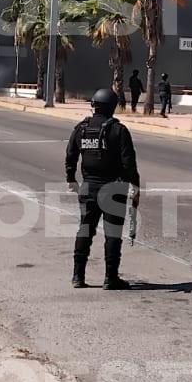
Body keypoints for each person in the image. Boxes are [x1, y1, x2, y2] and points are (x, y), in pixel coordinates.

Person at [64, 88, 140, 290]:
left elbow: (70, 155)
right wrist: (135, 185)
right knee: (112, 234)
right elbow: (128, 162)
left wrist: (71, 178)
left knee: (85, 230)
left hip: (88, 186)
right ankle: (110, 278)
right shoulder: (119, 130)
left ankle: (77, 277)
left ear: (94, 105)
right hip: (114, 188)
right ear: (112, 107)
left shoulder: (81, 128)